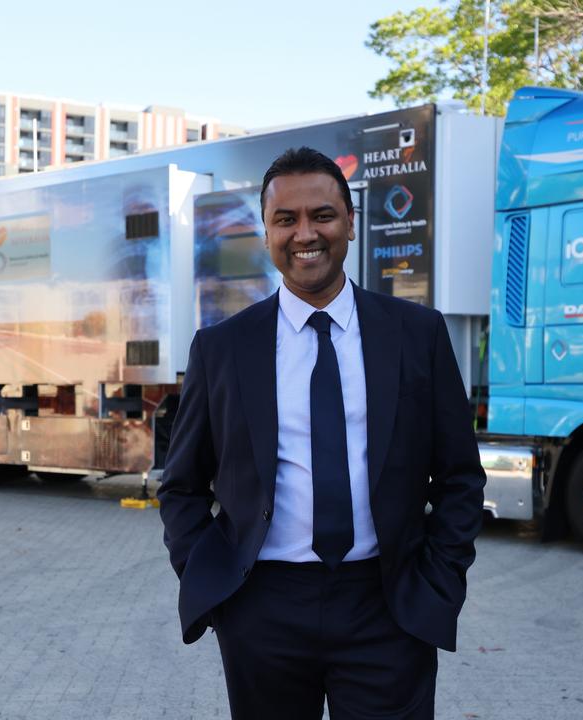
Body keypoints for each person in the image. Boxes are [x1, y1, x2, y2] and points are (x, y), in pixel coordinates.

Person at [158, 146, 486, 719]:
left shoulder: (418, 335)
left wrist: (439, 582)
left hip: (388, 606)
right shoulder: (223, 349)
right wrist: (219, 590)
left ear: (351, 224)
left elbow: (459, 476)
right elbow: (181, 485)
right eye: (286, 219)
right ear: (266, 232)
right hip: (262, 612)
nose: (304, 233)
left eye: (323, 215)